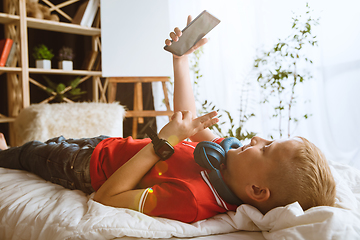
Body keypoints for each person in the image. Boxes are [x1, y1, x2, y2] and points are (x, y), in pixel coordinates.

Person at [0, 16, 336, 223]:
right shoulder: (224, 158)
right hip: (108, 145)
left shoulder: (192, 200)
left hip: (87, 168)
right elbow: (189, 119)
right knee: (43, 145)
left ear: (257, 190)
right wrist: (182, 61)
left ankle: (4, 154)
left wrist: (164, 142)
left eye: (266, 149)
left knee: (32, 153)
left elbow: (105, 199)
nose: (258, 139)